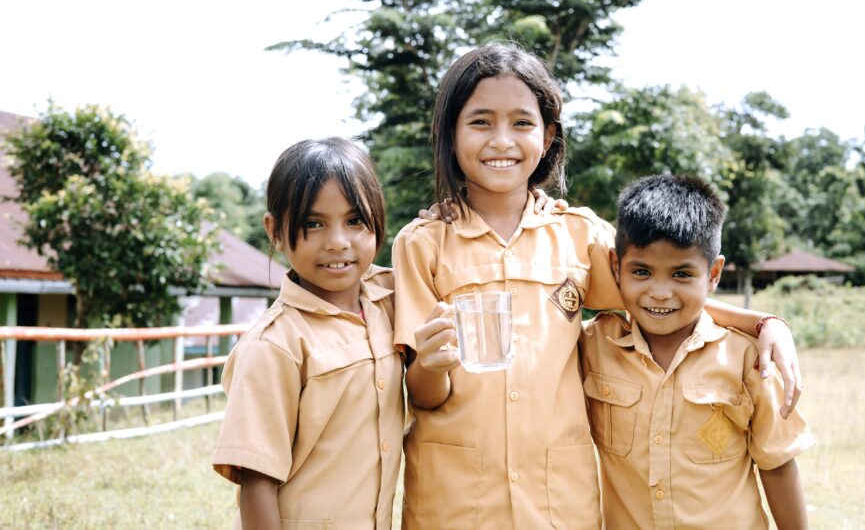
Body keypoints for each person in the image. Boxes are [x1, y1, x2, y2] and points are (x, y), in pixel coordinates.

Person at [393, 42, 803, 529]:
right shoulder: (423, 243)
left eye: (522, 123)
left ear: (547, 138)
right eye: (480, 121)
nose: (501, 140)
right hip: (456, 499)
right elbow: (422, 393)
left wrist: (763, 322)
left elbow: (659, 294)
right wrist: (434, 366)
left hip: (558, 502)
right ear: (450, 134)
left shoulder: (580, 234)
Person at [581, 174, 814, 529]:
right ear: (616, 267)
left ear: (713, 274)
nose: (660, 292)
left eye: (681, 274)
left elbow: (777, 464)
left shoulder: (746, 359)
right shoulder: (596, 346)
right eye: (641, 271)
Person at [212, 138, 403, 530]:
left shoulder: (388, 303)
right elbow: (258, 483)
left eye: (355, 221)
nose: (337, 241)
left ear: (378, 222)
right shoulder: (275, 345)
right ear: (275, 231)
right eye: (313, 224)